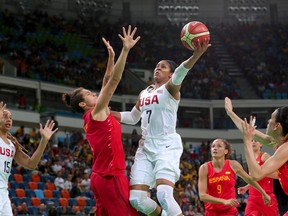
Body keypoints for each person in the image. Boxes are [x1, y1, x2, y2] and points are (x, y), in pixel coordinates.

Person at [112, 39, 210, 215]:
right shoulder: (145, 92)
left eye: (163, 67)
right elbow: (133, 117)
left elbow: (181, 71)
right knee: (136, 199)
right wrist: (110, 113)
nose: (157, 68)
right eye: (157, 66)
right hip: (145, 147)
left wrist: (195, 56)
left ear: (171, 75)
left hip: (166, 144)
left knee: (164, 195)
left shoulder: (171, 89)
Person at [62, 25, 140, 216]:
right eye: (88, 93)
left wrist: (112, 58)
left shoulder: (94, 114)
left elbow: (106, 80)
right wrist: (125, 50)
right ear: (82, 104)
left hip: (101, 177)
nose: (94, 92)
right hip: (110, 177)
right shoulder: (96, 112)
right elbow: (113, 81)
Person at [225, 97, 288, 215]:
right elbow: (249, 131)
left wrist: (247, 142)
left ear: (277, 126)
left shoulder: (285, 148)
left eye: (271, 119)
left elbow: (256, 174)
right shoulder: (279, 141)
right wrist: (230, 113)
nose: (268, 121)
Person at [0, 101, 58, 215]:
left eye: (10, 118)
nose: (8, 119)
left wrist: (44, 141)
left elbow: (31, 164)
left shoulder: (12, 145)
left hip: (3, 193)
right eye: (4, 116)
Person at [198, 138, 271, 216]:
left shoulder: (233, 165)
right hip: (211, 212)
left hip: (229, 211)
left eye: (219, 146)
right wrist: (224, 201)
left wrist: (263, 193)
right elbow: (202, 196)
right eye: (213, 146)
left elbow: (250, 179)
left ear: (226, 151)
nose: (215, 148)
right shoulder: (204, 168)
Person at [237, 139, 279, 215]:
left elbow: (277, 174)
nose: (253, 142)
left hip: (266, 195)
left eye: (256, 140)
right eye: (251, 140)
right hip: (252, 197)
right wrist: (246, 187)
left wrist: (261, 172)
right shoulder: (250, 160)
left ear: (261, 144)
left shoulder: (264, 156)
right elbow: (254, 179)